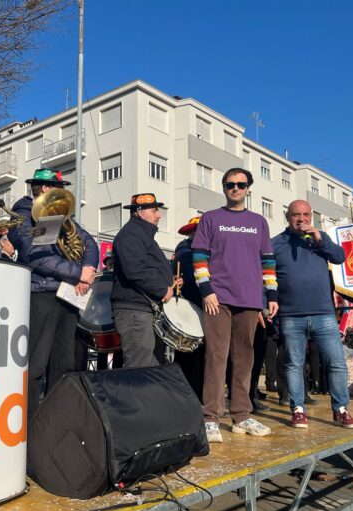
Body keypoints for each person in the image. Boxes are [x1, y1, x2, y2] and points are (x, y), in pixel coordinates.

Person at [192, 168, 278, 442]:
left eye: (241, 184)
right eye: (230, 184)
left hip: (250, 300)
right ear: (224, 187)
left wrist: (271, 296)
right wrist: (206, 290)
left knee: (245, 358)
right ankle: (210, 417)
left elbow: (268, 261)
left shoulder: (259, 222)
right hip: (218, 298)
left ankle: (242, 415)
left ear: (249, 188)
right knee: (216, 357)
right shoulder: (210, 218)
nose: (236, 188)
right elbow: (199, 255)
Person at [7, 169, 98, 424]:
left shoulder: (63, 215)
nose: (56, 191)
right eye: (52, 186)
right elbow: (35, 255)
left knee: (64, 362)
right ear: (42, 188)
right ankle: (30, 423)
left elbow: (89, 243)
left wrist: (88, 269)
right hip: (42, 295)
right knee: (37, 363)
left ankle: (57, 421)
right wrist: (78, 272)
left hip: (66, 296)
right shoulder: (23, 214)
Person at [272, 199, 353, 429]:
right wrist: (266, 304)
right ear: (287, 216)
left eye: (306, 215)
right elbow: (266, 278)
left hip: (324, 314)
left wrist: (320, 240)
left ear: (311, 217)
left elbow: (340, 257)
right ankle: (297, 410)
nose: (301, 219)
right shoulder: (276, 244)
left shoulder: (320, 240)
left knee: (336, 363)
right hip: (291, 315)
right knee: (293, 364)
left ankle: (341, 410)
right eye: (295, 215)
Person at [111, 193, 181, 368]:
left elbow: (144, 267)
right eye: (155, 211)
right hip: (135, 311)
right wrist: (162, 289)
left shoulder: (140, 235)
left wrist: (168, 280)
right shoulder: (130, 235)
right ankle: (132, 397)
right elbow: (134, 269)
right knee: (138, 368)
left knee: (148, 367)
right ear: (140, 212)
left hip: (142, 310)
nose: (159, 215)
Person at [172, 216, 204, 399]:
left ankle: (197, 392)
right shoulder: (185, 252)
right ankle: (188, 393)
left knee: (201, 355)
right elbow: (191, 280)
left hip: (203, 307)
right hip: (189, 309)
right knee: (188, 353)